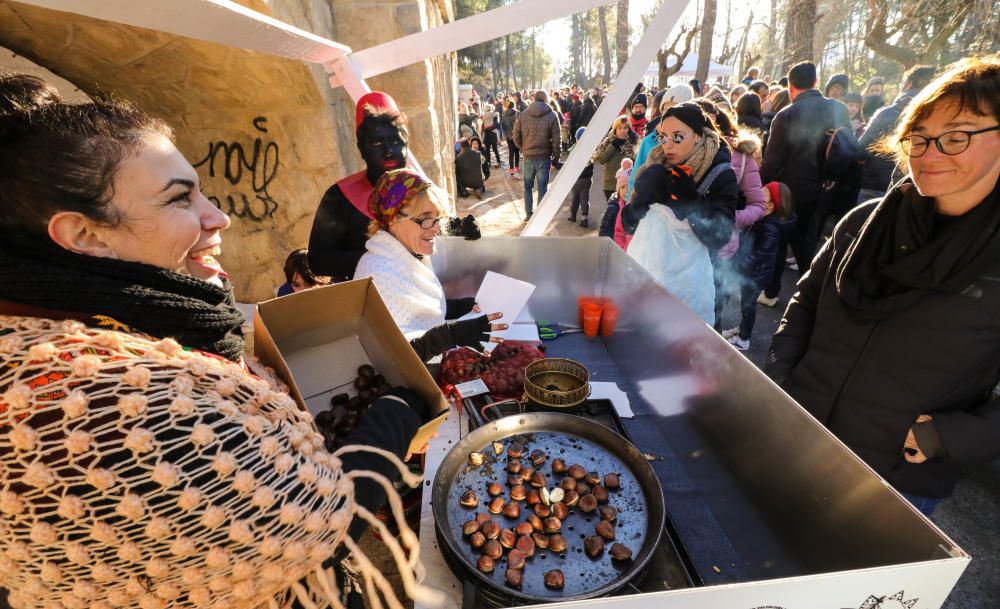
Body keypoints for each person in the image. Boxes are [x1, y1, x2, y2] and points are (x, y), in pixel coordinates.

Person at [0, 78, 433, 609]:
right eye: (181, 198)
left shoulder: (92, 325)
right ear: (85, 235)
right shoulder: (123, 406)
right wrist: (395, 408)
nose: (219, 216)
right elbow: (322, 520)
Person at [767, 55, 1000, 517]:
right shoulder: (863, 223)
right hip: (799, 438)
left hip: (894, 483)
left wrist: (946, 437)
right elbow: (805, 303)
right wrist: (782, 376)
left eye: (956, 137)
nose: (929, 155)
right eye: (919, 137)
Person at [354, 169, 507, 361]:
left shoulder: (409, 254)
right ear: (393, 219)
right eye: (426, 218)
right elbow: (393, 357)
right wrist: (452, 335)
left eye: (437, 218)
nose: (435, 228)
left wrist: (459, 307)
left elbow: (418, 310)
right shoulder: (377, 274)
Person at [621, 103, 740, 325]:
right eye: (663, 137)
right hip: (650, 277)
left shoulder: (720, 173)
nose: (667, 146)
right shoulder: (654, 167)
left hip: (694, 289)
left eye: (677, 137)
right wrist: (640, 201)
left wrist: (691, 202)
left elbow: (719, 236)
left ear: (698, 136)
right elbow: (628, 224)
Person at [760, 61, 855, 270]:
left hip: (790, 188)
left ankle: (772, 291)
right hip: (829, 185)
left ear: (790, 87)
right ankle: (809, 286)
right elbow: (849, 144)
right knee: (808, 238)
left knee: (781, 238)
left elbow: (772, 160)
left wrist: (759, 189)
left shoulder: (786, 114)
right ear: (816, 82)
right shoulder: (838, 108)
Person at [308, 91, 407, 282]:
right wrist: (374, 257)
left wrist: (458, 230)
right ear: (361, 147)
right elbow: (317, 260)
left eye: (395, 141)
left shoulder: (420, 190)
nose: (388, 152)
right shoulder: (339, 197)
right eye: (377, 142)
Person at [695, 100, 766, 331]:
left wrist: (728, 218)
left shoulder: (740, 156)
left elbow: (758, 204)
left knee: (712, 308)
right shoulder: (678, 152)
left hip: (722, 247)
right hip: (682, 245)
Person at [724, 181, 794, 350]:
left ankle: (744, 339)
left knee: (748, 306)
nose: (757, 197)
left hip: (755, 275)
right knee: (746, 304)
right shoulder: (762, 220)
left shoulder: (770, 227)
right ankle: (742, 330)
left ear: (770, 205)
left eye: (762, 196)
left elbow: (761, 255)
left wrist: (740, 265)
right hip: (753, 272)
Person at [857, 65, 937, 202]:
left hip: (875, 186)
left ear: (908, 84)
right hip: (914, 190)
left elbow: (861, 149)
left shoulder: (888, 113)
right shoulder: (936, 116)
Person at [512, 90, 561, 221]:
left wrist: (523, 148)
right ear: (546, 99)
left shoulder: (523, 115)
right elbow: (557, 139)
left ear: (534, 99)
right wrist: (556, 157)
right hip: (544, 157)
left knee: (528, 187)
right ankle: (540, 216)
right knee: (542, 188)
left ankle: (528, 214)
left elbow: (515, 136)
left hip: (528, 157)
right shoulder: (552, 115)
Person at [592, 115, 639, 202]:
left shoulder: (633, 143)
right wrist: (613, 145)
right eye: (619, 128)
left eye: (625, 128)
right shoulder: (608, 142)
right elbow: (601, 159)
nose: (622, 130)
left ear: (629, 130)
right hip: (610, 185)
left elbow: (637, 163)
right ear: (615, 130)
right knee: (613, 210)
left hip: (627, 185)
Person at [567, 128, 595, 228]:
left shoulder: (574, 149)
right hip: (587, 179)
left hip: (576, 179)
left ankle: (573, 215)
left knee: (574, 198)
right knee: (584, 198)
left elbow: (569, 164)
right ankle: (584, 217)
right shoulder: (591, 149)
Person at [601, 160, 632, 240]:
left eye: (629, 187)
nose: (626, 191)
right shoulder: (614, 207)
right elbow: (605, 229)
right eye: (622, 187)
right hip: (613, 244)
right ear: (618, 189)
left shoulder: (632, 204)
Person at [481, 103, 502, 168]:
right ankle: (492, 162)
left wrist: (486, 129)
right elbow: (496, 124)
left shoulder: (485, 115)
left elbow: (495, 124)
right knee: (491, 149)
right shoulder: (494, 114)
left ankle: (493, 162)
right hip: (491, 134)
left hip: (489, 134)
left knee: (491, 149)